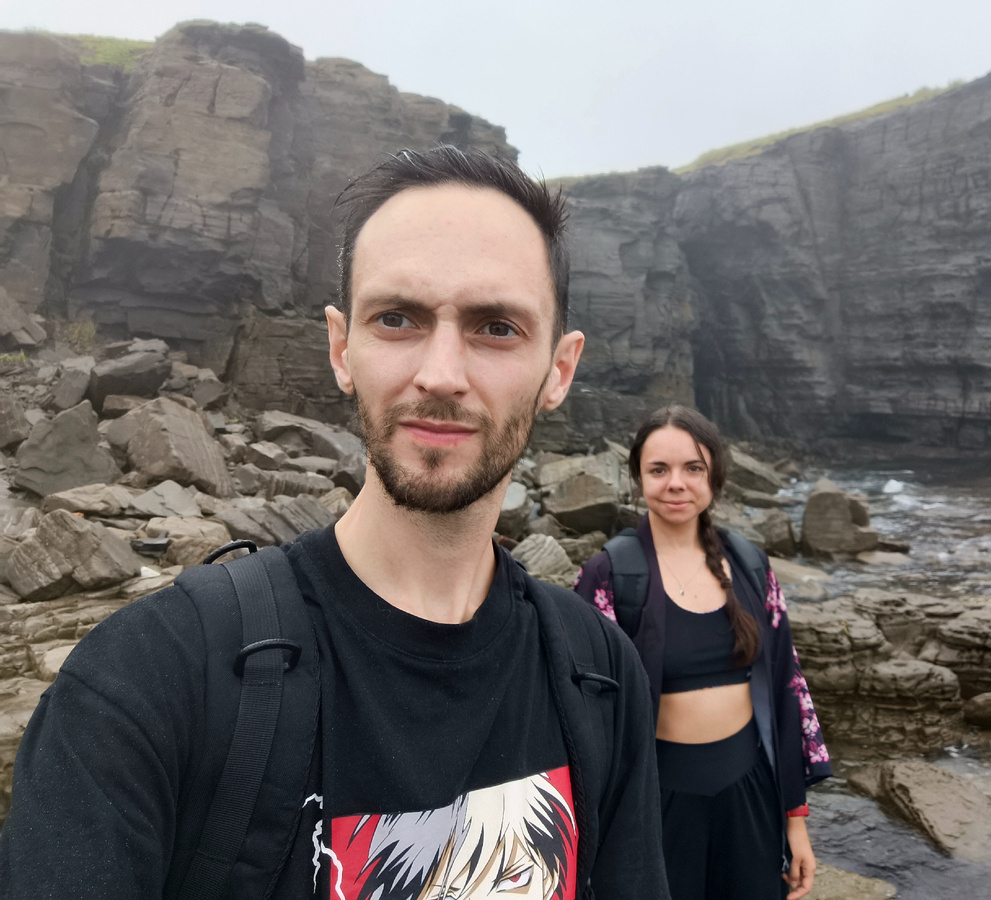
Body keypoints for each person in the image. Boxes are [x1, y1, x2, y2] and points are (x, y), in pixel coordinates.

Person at [0, 147, 670, 900]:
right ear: (340, 347)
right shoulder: (147, 682)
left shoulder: (601, 674)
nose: (441, 374)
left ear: (560, 368)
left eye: (495, 327)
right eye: (397, 318)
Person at [573, 405, 832, 900]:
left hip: (750, 793)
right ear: (638, 478)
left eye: (693, 468)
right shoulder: (610, 574)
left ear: (714, 476)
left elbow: (788, 689)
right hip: (656, 804)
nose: (676, 483)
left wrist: (795, 823)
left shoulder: (751, 565)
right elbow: (583, 712)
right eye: (658, 469)